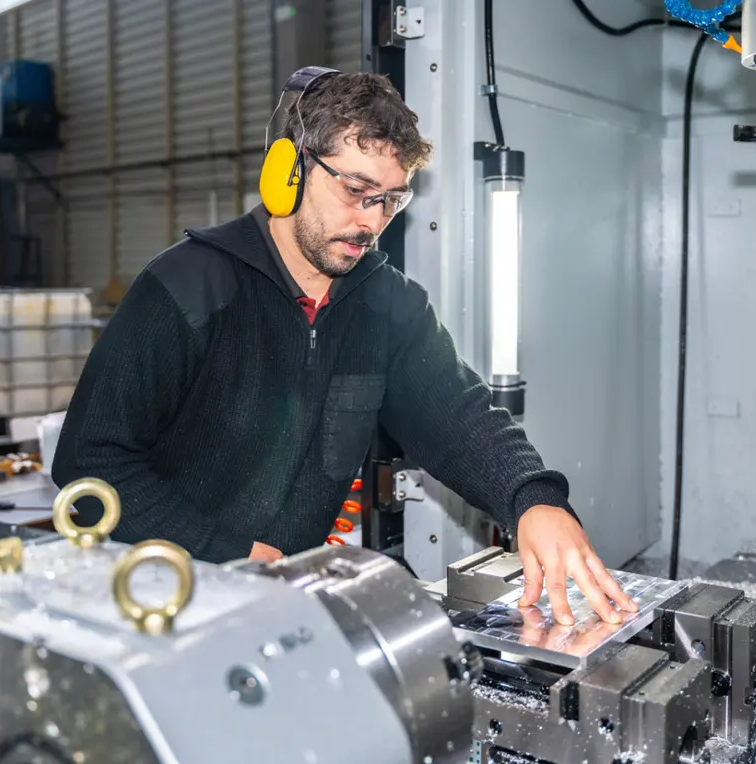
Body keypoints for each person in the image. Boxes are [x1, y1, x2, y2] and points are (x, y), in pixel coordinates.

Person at [52, 68, 638, 627]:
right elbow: (91, 465)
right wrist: (227, 554)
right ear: (290, 169)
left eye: (390, 199)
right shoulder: (186, 287)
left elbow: (459, 417)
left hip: (281, 606)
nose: (371, 221)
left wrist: (532, 499)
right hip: (163, 600)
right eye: (357, 190)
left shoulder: (389, 304)